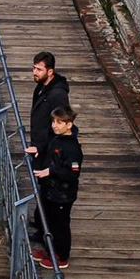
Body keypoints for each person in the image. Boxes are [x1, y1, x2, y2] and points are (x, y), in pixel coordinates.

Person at [31, 106, 83, 270]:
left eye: (59, 122)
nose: (55, 125)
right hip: (51, 190)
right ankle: (49, 250)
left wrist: (50, 171)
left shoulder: (72, 148)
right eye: (54, 121)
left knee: (60, 225)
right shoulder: (56, 139)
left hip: (63, 194)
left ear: (69, 125)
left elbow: (72, 173)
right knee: (49, 221)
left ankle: (61, 256)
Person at [25, 52, 71, 163]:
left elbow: (62, 125)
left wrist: (41, 147)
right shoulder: (41, 86)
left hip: (50, 153)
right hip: (39, 149)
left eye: (39, 70)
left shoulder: (58, 94)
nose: (34, 72)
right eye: (34, 68)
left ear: (50, 72)